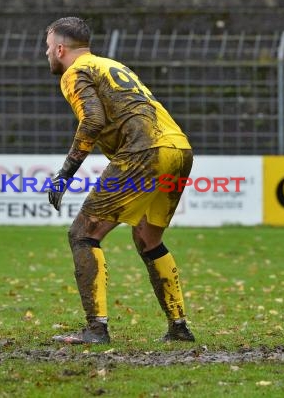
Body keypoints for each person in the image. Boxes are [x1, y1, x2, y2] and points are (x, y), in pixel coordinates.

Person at [45, 17, 195, 344]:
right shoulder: (110, 64)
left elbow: (93, 120)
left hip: (145, 151)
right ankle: (179, 327)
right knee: (148, 238)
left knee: (83, 234)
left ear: (59, 49)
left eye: (47, 47)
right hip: (179, 148)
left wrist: (66, 173)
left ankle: (96, 329)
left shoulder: (74, 72)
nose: (46, 54)